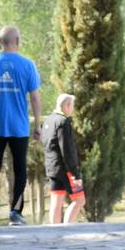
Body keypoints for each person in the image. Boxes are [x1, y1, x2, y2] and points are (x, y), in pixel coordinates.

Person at [0, 25, 41, 226]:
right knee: (20, 169)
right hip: (19, 127)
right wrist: (38, 124)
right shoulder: (27, 65)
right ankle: (15, 213)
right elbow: (35, 97)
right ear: (18, 41)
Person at [41, 93, 85, 224]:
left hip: (51, 168)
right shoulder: (63, 121)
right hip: (65, 169)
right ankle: (67, 228)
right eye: (72, 105)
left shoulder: (48, 120)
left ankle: (54, 232)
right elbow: (66, 149)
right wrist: (74, 173)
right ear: (67, 106)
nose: (72, 109)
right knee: (80, 200)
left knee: (57, 200)